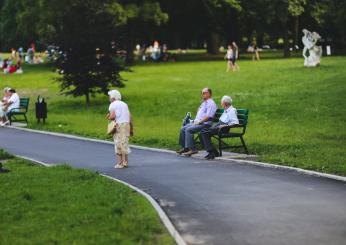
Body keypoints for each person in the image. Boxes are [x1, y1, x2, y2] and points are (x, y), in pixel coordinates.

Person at [177, 88, 217, 156]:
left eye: (205, 92)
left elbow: (209, 116)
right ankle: (186, 148)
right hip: (198, 122)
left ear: (210, 94)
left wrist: (199, 122)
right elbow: (200, 112)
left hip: (204, 124)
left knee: (188, 130)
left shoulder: (211, 103)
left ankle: (193, 149)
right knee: (183, 128)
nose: (203, 94)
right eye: (202, 93)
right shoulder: (204, 103)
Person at [200, 95, 239, 159]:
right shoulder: (226, 110)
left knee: (204, 133)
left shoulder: (232, 110)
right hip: (219, 127)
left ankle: (212, 152)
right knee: (202, 132)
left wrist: (224, 125)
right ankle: (213, 151)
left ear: (225, 103)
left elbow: (235, 123)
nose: (221, 104)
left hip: (223, 129)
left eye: (221, 102)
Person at [107, 90, 134, 169]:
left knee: (118, 143)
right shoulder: (125, 104)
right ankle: (125, 161)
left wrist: (108, 117)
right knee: (124, 142)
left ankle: (120, 163)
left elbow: (112, 117)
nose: (109, 98)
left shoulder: (112, 104)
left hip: (119, 125)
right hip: (126, 124)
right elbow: (130, 117)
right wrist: (132, 129)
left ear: (113, 97)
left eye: (109, 96)